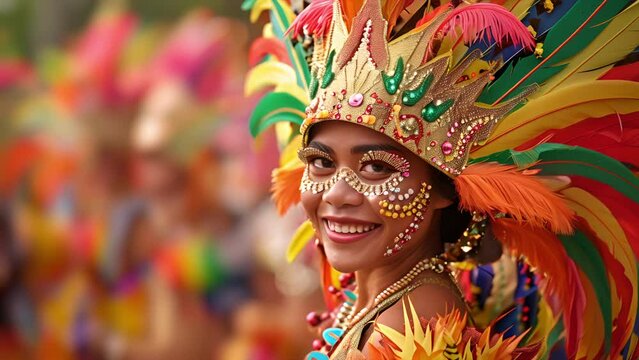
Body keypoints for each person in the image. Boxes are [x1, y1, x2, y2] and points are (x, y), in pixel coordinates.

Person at [245, 0, 639, 358]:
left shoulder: (414, 323)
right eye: (320, 162)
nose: (338, 193)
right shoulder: (384, 300)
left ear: (442, 189)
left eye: (376, 167)